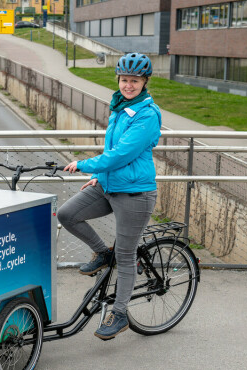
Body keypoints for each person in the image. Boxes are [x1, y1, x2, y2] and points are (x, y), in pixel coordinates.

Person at [58, 52, 162, 341]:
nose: (129, 85)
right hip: (109, 184)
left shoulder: (146, 114)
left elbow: (122, 154)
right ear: (118, 79)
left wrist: (84, 165)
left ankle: (119, 314)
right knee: (68, 214)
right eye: (125, 80)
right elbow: (113, 155)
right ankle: (103, 252)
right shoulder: (121, 107)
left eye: (135, 81)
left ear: (144, 82)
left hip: (136, 194)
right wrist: (99, 175)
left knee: (126, 255)